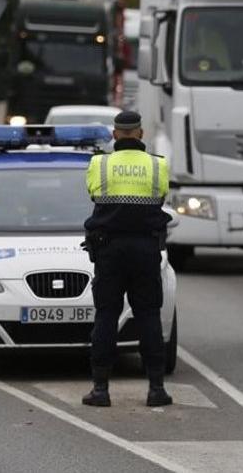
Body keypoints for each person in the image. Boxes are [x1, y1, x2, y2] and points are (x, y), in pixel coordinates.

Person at [81, 110, 173, 408]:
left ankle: (101, 389)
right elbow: (160, 197)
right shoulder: (158, 166)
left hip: (109, 250)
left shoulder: (100, 164)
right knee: (148, 315)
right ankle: (156, 389)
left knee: (106, 315)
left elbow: (94, 195)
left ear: (114, 134)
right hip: (146, 250)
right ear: (141, 134)